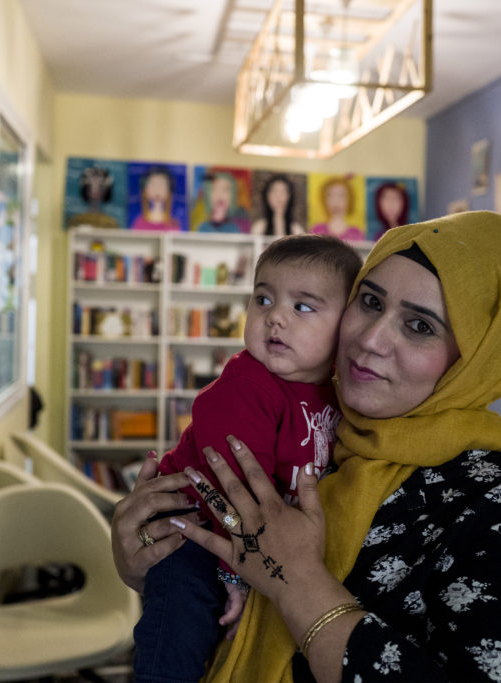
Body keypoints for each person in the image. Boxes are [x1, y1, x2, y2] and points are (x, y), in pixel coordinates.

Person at [113, 211, 501, 682]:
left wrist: (297, 582)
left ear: (479, 360)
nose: (370, 340)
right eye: (370, 302)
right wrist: (155, 562)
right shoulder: (322, 424)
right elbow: (219, 601)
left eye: (420, 326)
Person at [132, 233, 363, 682]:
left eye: (303, 306)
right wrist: (235, 576)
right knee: (179, 626)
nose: (275, 317)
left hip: (260, 532)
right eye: (263, 298)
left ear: (345, 325)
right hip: (194, 527)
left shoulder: (334, 392)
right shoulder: (246, 383)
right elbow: (229, 487)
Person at [310, 177, 365, 242]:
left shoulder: (356, 233)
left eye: (341, 195)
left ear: (350, 199)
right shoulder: (317, 230)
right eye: (330, 195)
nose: (336, 200)